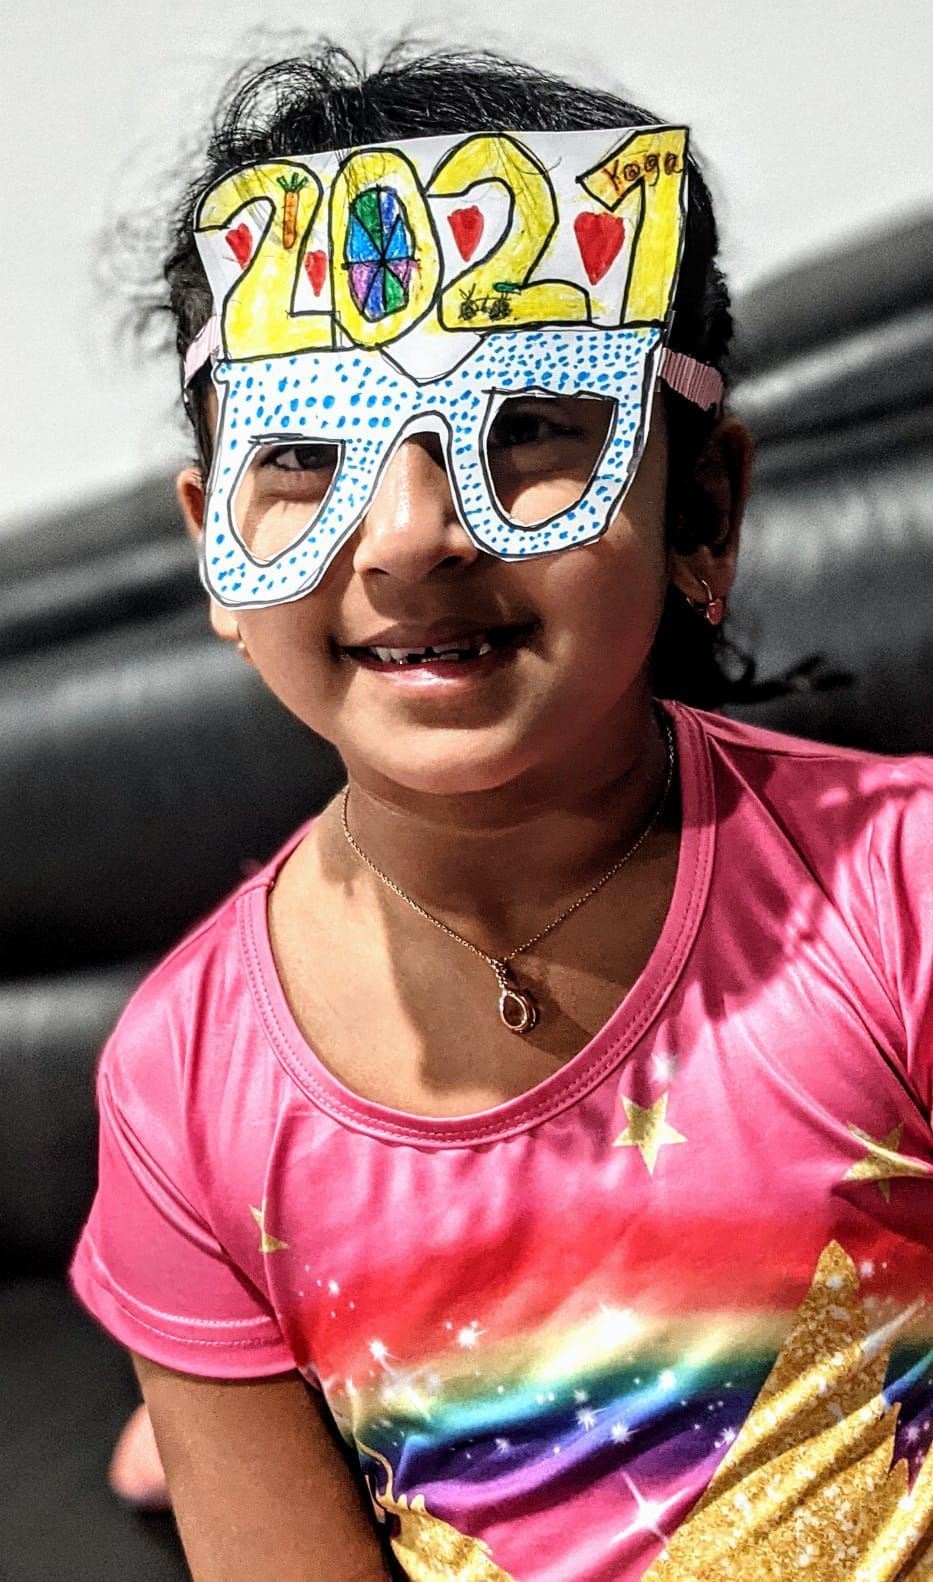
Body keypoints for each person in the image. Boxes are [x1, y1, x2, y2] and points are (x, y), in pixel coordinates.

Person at [69, 41, 933, 1582]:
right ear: (216, 549)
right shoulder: (180, 1087)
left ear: (701, 506)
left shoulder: (900, 889)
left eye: (526, 421)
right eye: (305, 448)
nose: (408, 536)